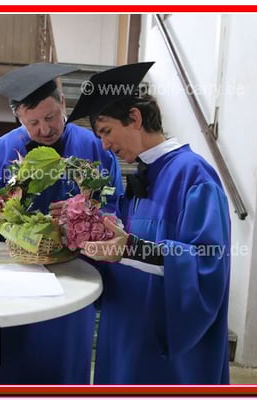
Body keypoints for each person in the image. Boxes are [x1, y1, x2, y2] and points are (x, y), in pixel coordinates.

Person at [0, 63, 124, 384]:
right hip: (13, 278)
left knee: (65, 370)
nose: (44, 129)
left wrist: (85, 212)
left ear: (63, 103)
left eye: (51, 117)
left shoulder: (94, 148)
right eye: (32, 123)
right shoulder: (0, 152)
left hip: (73, 277)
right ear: (18, 118)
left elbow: (114, 210)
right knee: (15, 368)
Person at [67, 62, 231, 384]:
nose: (104, 146)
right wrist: (81, 221)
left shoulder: (194, 175)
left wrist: (130, 247)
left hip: (163, 334)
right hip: (125, 324)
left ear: (135, 117)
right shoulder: (143, 175)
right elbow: (124, 243)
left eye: (106, 131)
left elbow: (206, 261)